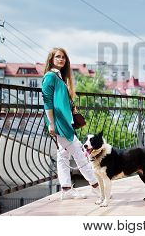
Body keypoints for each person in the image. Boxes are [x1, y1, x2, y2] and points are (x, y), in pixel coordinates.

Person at [42, 47, 99, 200]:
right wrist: (52, 124)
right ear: (51, 59)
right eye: (58, 57)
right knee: (80, 154)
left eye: (63, 57)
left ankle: (66, 189)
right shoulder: (50, 76)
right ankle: (96, 186)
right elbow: (47, 101)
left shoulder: (58, 76)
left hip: (64, 121)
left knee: (63, 155)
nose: (61, 59)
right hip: (59, 123)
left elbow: (60, 100)